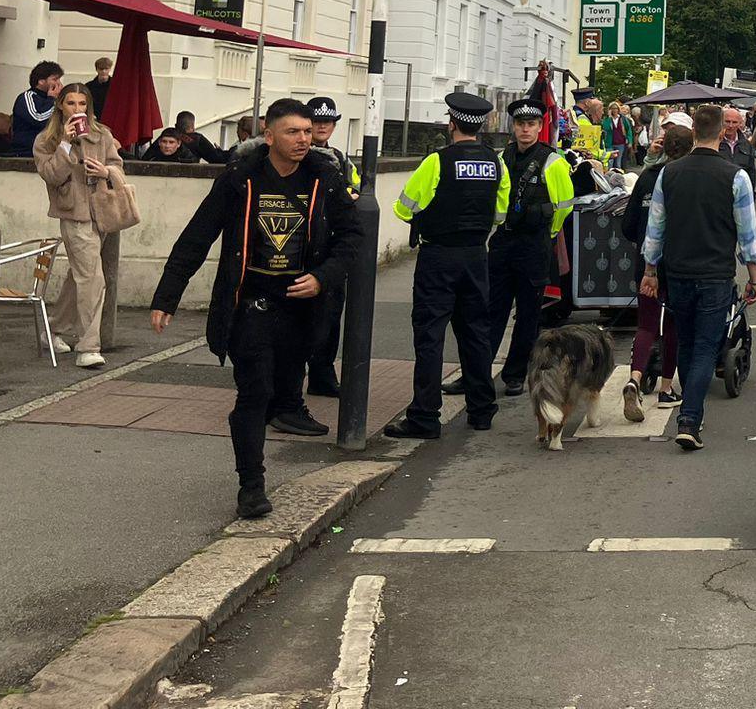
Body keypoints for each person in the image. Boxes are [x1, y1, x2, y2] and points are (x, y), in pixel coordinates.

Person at [150, 98, 361, 519]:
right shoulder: (240, 178)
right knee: (254, 392)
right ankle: (252, 486)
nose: (303, 139)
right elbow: (198, 236)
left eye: (307, 131)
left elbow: (352, 238)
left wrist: (323, 276)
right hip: (251, 304)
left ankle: (277, 420)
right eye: (293, 132)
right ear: (269, 135)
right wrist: (166, 297)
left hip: (302, 307)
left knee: (283, 392)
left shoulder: (326, 179)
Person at [642, 103, 756, 452]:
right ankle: (690, 419)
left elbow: (656, 227)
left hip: (678, 269)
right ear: (725, 132)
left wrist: (651, 269)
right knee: (706, 347)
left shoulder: (670, 173)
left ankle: (689, 408)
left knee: (685, 341)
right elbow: (747, 234)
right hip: (715, 272)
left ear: (694, 130)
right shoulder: (736, 177)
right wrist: (755, 277)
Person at [384, 93, 506, 438]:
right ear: (479, 126)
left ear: (451, 123)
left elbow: (404, 208)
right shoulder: (496, 163)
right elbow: (501, 212)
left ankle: (424, 418)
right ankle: (482, 410)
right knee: (476, 334)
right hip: (476, 256)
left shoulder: (437, 162)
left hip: (438, 257)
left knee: (430, 337)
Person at [483, 98, 575, 396]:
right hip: (503, 242)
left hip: (534, 245)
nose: (525, 129)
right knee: (491, 311)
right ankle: (479, 372)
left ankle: (514, 375)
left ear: (539, 127)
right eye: (521, 124)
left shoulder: (552, 160)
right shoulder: (502, 157)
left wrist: (547, 233)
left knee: (527, 314)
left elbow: (564, 205)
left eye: (531, 124)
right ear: (514, 127)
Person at [33, 83, 126, 368]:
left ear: (89, 107)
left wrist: (106, 171)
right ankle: (88, 347)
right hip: (74, 215)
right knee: (93, 279)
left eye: (82, 104)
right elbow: (51, 175)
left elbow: (119, 167)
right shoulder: (46, 140)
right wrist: (64, 144)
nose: (77, 109)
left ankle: (54, 329)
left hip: (102, 213)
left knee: (80, 277)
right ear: (61, 105)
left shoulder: (102, 134)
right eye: (71, 103)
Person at [622, 124, 695, 421]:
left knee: (646, 325)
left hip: (645, 262)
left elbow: (627, 225)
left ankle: (634, 379)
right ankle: (667, 387)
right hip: (676, 262)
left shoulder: (647, 178)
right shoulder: (685, 179)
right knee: (674, 327)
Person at [302, 97, 360, 398]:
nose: (323, 126)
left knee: (330, 316)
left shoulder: (339, 157)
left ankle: (322, 375)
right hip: (302, 247)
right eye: (317, 120)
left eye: (328, 121)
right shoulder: (297, 155)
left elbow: (355, 191)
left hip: (331, 248)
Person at [10, 60, 64, 156]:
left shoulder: (54, 100)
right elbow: (38, 119)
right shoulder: (27, 97)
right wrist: (52, 99)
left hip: (50, 150)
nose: (58, 83)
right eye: (55, 80)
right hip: (27, 151)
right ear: (41, 81)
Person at [719, 106, 756, 186]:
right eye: (727, 121)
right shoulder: (715, 143)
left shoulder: (747, 145)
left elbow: (751, 172)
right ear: (721, 122)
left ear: (740, 123)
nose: (731, 125)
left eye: (734, 122)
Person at [572, 89, 606, 159]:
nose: (592, 102)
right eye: (591, 99)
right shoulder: (582, 118)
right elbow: (589, 146)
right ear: (587, 103)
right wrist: (608, 155)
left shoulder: (574, 113)